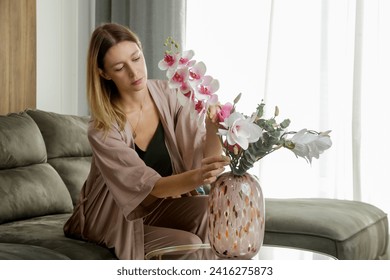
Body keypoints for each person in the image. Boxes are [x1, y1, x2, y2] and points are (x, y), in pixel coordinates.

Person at [63, 23, 230, 260]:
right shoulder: (102, 128)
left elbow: (204, 160)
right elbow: (152, 187)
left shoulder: (170, 95)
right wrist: (199, 176)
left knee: (210, 209)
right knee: (188, 243)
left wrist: (213, 128)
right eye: (120, 67)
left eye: (136, 58)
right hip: (113, 216)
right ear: (104, 74)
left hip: (159, 207)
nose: (134, 73)